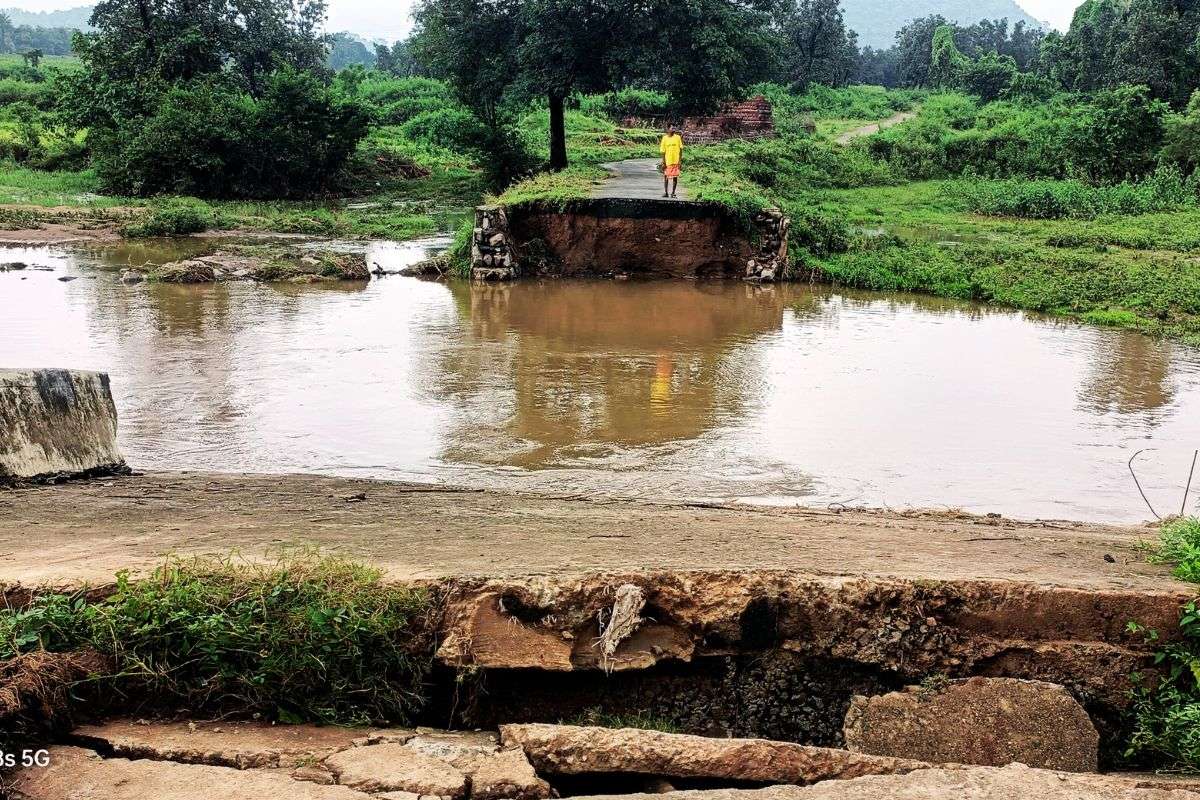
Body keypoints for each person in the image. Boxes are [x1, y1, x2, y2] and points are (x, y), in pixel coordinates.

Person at [659, 124, 683, 198]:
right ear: (668, 129)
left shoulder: (678, 137)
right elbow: (663, 151)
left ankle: (673, 193)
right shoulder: (664, 138)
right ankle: (666, 192)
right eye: (672, 128)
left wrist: (679, 161)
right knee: (666, 177)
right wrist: (663, 162)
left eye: (674, 128)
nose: (674, 129)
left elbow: (681, 149)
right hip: (667, 161)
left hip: (675, 161)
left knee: (675, 177)